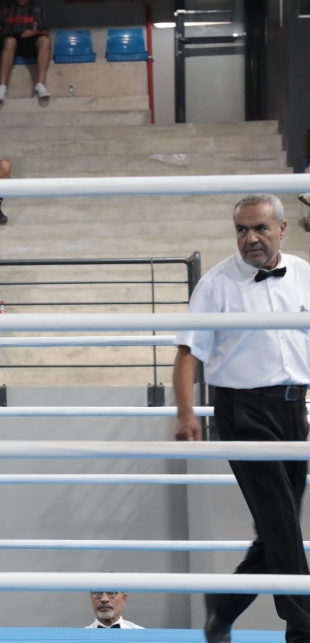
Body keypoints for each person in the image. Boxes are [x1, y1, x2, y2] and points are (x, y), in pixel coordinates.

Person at [174, 194, 310, 643]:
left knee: (278, 525)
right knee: (281, 522)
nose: (250, 238)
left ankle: (225, 606)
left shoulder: (304, 274)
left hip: (295, 410)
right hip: (243, 412)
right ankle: (303, 626)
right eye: (242, 229)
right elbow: (188, 352)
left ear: (282, 229)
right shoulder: (216, 284)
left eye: (260, 228)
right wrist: (186, 412)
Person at [0, 0, 51, 101]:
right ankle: (2, 87)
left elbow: (45, 32)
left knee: (45, 41)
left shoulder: (37, 10)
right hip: (9, 40)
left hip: (29, 41)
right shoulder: (4, 8)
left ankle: (40, 85)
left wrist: (34, 32)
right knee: (10, 41)